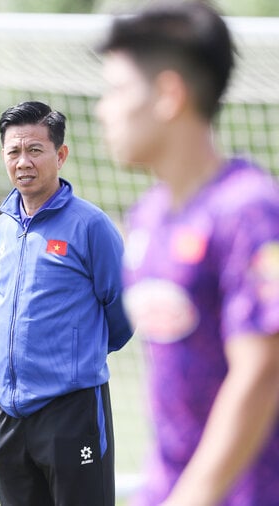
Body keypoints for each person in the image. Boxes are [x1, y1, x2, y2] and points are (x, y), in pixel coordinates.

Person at [95, 2, 279, 505]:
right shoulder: (147, 217)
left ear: (169, 95)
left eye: (116, 90)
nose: (102, 109)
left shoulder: (249, 211)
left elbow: (262, 371)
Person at [0, 100, 133, 506]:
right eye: (13, 151)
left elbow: (122, 314)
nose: (23, 162)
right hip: (7, 416)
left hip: (71, 414)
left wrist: (75, 356)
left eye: (35, 150)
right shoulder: (2, 227)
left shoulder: (91, 226)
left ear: (60, 155)